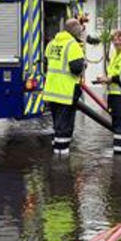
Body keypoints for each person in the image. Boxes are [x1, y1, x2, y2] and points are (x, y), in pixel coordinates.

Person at [42, 18, 88, 155]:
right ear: (75, 29)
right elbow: (75, 68)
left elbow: (46, 63)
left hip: (51, 91)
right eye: (79, 28)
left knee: (57, 125)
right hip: (66, 92)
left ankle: (56, 153)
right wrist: (84, 65)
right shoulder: (72, 45)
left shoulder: (52, 43)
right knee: (65, 126)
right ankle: (61, 160)